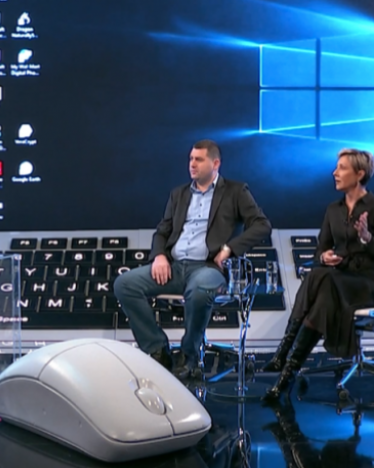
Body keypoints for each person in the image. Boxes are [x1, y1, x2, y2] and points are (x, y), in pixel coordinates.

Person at [113, 140, 271, 376]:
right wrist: (159, 256)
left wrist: (229, 248)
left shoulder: (235, 192)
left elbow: (262, 225)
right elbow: (162, 231)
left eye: (198, 159)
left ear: (215, 164)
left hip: (208, 268)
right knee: (125, 284)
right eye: (190, 159)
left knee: (199, 290)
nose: (192, 164)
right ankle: (157, 349)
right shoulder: (179, 194)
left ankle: (189, 354)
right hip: (175, 266)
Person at [263, 148, 374, 401]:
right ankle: (287, 374)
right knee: (320, 279)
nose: (335, 172)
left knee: (321, 279)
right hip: (336, 281)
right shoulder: (333, 209)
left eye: (342, 168)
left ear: (360, 174)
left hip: (365, 284)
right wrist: (324, 257)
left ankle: (284, 357)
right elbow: (321, 248)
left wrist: (367, 238)